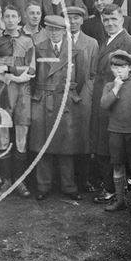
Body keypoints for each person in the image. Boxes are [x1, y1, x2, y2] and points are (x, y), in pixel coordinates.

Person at [89, 4, 131, 204]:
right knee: (101, 142)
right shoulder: (106, 40)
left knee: (110, 146)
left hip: (116, 100)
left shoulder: (128, 42)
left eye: (113, 20)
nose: (109, 23)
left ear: (122, 20)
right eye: (106, 20)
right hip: (102, 96)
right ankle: (112, 185)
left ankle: (112, 189)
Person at [31, 15, 84, 201]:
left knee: (66, 147)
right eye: (50, 29)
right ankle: (43, 186)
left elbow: (83, 77)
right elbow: (32, 77)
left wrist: (72, 95)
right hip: (44, 100)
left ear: (64, 31)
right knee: (42, 146)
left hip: (65, 101)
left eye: (58, 30)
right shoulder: (38, 49)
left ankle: (69, 187)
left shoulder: (74, 50)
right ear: (46, 30)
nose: (54, 33)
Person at [0, 5, 35, 198]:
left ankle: (20, 181)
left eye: (13, 16)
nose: (9, 20)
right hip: (1, 91)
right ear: (2, 18)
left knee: (21, 139)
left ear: (19, 19)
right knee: (3, 137)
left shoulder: (28, 41)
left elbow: (31, 71)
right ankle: (6, 180)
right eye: (6, 16)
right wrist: (11, 72)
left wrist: (10, 73)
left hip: (22, 92)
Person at [100, 50, 131, 213]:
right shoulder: (109, 86)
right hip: (115, 132)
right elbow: (104, 105)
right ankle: (120, 200)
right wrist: (116, 88)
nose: (119, 71)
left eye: (122, 67)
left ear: (130, 68)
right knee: (117, 166)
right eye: (115, 67)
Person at [66, 6, 99, 194]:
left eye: (76, 18)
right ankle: (66, 181)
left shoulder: (91, 43)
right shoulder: (60, 40)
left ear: (82, 20)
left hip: (85, 95)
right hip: (64, 96)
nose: (72, 22)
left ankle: (84, 180)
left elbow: (93, 73)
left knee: (84, 138)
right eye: (69, 18)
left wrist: (89, 92)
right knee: (66, 138)